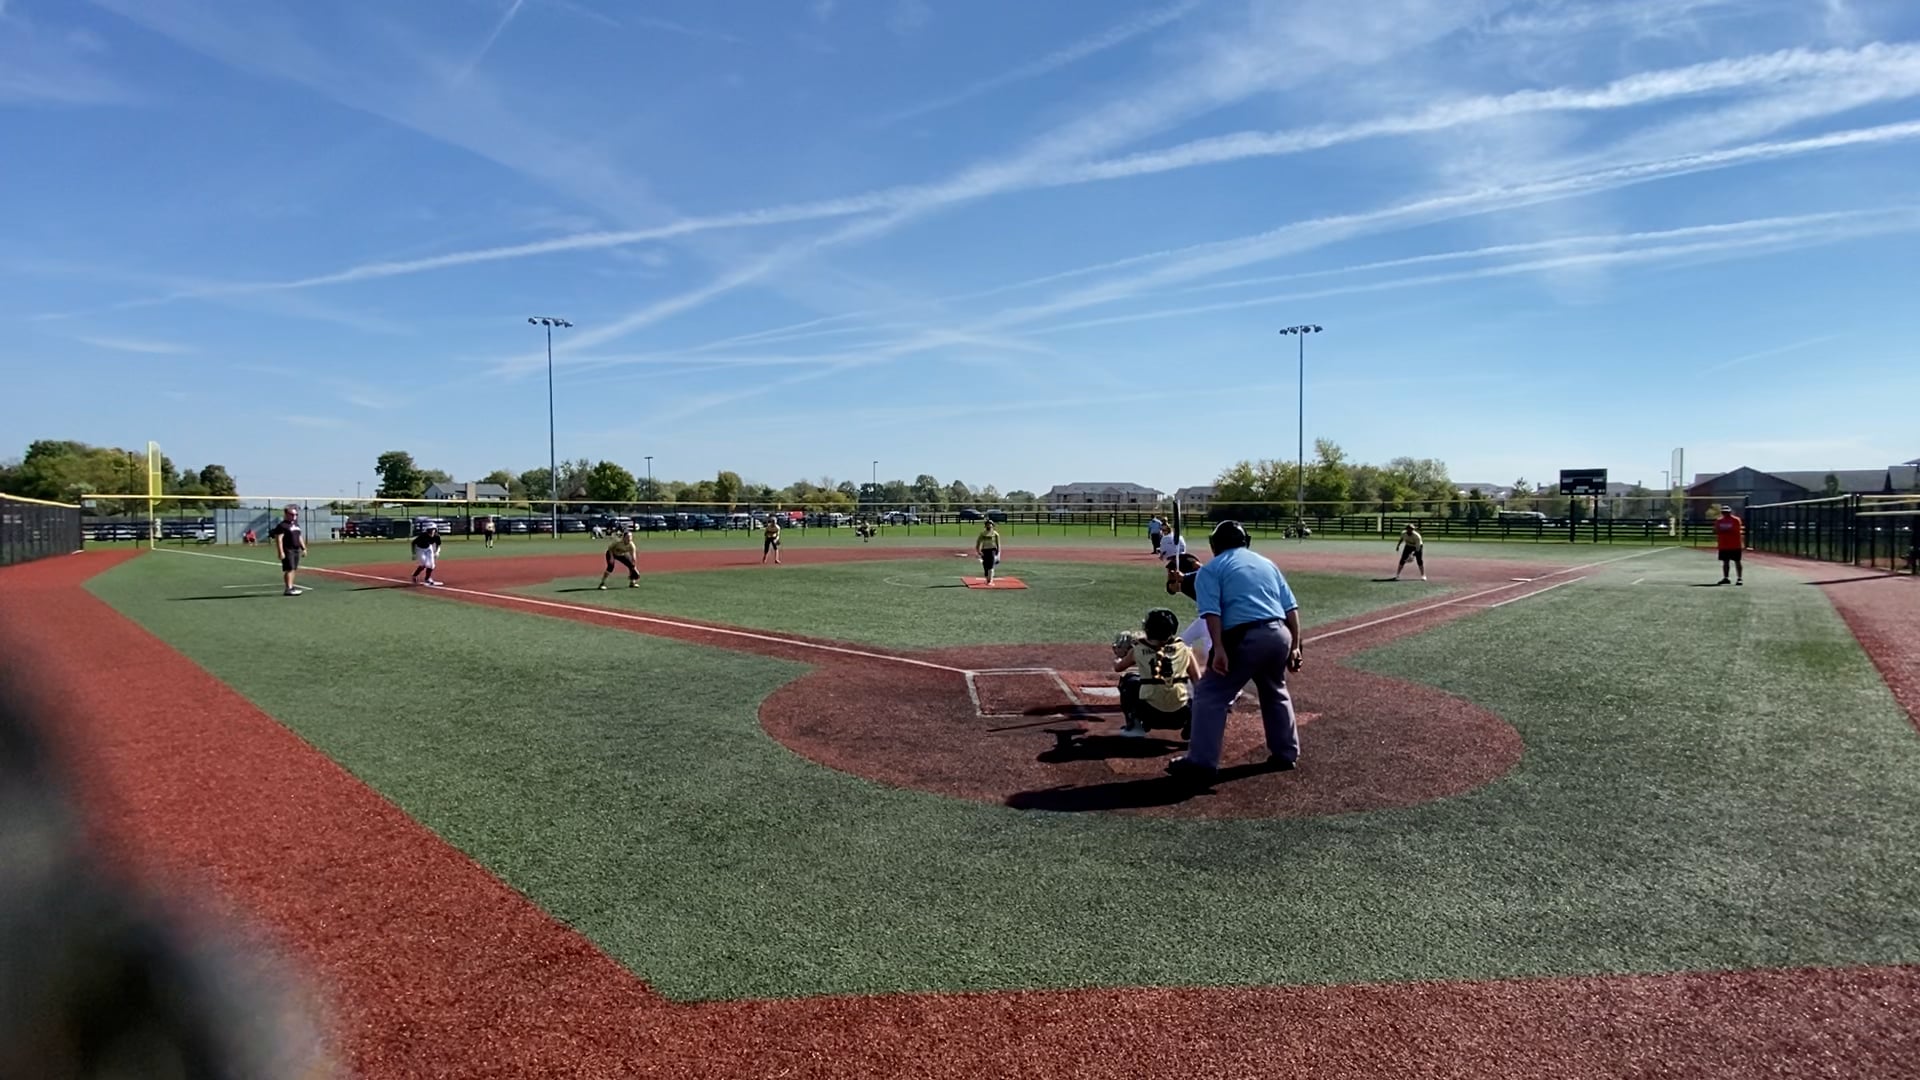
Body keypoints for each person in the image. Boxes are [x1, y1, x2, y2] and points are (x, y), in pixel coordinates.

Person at [1168, 520, 1304, 780]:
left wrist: (1219, 648)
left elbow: (1212, 613)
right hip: (1280, 635)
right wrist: (1296, 646)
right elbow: (1291, 608)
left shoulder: (1212, 569)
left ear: (1214, 544)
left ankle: (1201, 763)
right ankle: (1286, 753)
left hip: (1244, 637)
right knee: (1275, 691)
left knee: (1210, 695)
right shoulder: (1266, 564)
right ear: (1246, 541)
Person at [1112, 608, 1196, 739]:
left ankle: (1135, 726)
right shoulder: (1185, 650)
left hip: (1149, 715)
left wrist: (1118, 659)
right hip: (1180, 717)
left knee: (1128, 681)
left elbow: (1118, 668)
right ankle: (1193, 727)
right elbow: (1199, 681)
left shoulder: (1138, 650)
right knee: (1191, 685)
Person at [266, 505, 305, 597]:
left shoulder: (296, 525)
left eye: (296, 514)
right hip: (288, 549)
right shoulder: (282, 526)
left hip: (296, 549)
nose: (294, 516)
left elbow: (299, 537)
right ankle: (288, 588)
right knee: (289, 569)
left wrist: (303, 548)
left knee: (293, 569)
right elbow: (279, 539)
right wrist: (281, 552)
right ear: (286, 514)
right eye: (292, 514)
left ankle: (291, 587)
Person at [1714, 504, 1745, 585]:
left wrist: (1724, 530)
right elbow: (1716, 530)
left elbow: (1735, 530)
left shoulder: (1736, 520)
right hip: (1724, 545)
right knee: (1725, 562)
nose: (1725, 513)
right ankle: (1726, 578)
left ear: (1730, 512)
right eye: (1724, 512)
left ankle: (1739, 578)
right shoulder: (1719, 521)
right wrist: (1724, 531)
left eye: (1727, 512)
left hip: (1735, 545)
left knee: (1737, 561)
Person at [975, 519, 1002, 584]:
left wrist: (998, 552)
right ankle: (987, 578)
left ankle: (990, 580)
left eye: (990, 524)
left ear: (992, 525)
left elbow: (998, 544)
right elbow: (978, 542)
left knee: (991, 565)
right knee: (985, 565)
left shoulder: (995, 534)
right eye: (987, 524)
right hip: (984, 550)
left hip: (992, 550)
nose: (989, 525)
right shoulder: (982, 534)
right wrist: (978, 550)